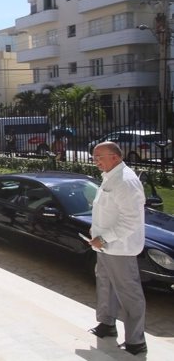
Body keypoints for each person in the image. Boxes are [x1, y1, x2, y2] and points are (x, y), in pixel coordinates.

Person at [88, 142, 147, 356]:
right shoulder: (110, 176)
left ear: (115, 157)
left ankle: (136, 340)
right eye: (94, 157)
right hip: (104, 247)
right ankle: (106, 323)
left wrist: (104, 238)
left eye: (98, 157)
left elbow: (130, 221)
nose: (95, 161)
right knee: (105, 286)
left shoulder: (126, 181)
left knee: (129, 294)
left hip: (119, 248)